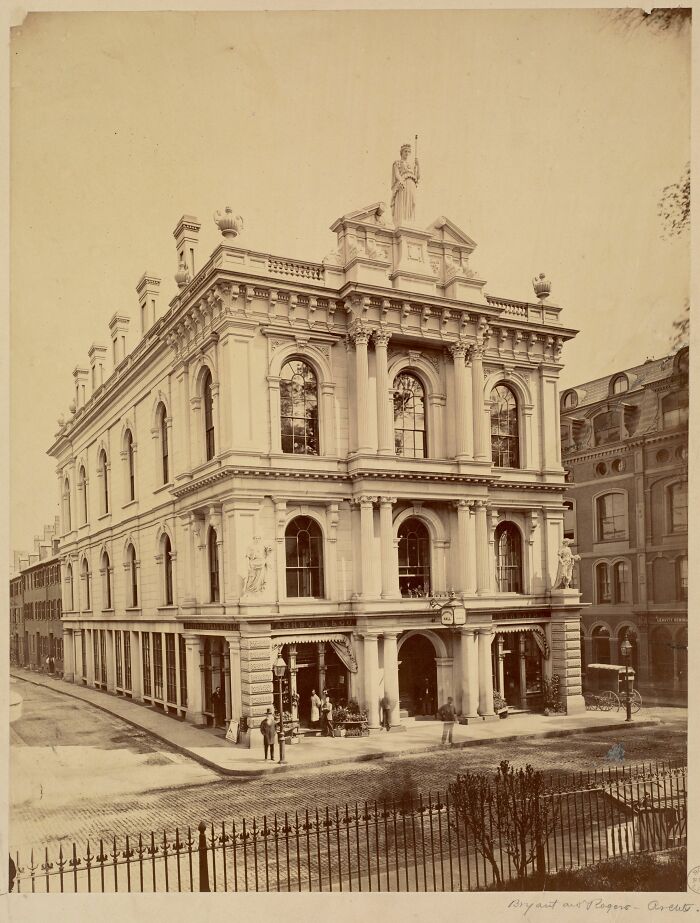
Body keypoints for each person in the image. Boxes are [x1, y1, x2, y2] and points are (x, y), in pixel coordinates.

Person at [391, 142, 420, 226]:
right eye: (405, 151)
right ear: (402, 152)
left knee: (413, 202)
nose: (407, 153)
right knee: (403, 202)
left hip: (412, 184)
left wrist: (418, 165)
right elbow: (397, 174)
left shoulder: (412, 165)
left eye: (408, 152)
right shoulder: (397, 162)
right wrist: (401, 181)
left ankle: (410, 221)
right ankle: (403, 220)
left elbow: (417, 177)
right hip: (403, 183)